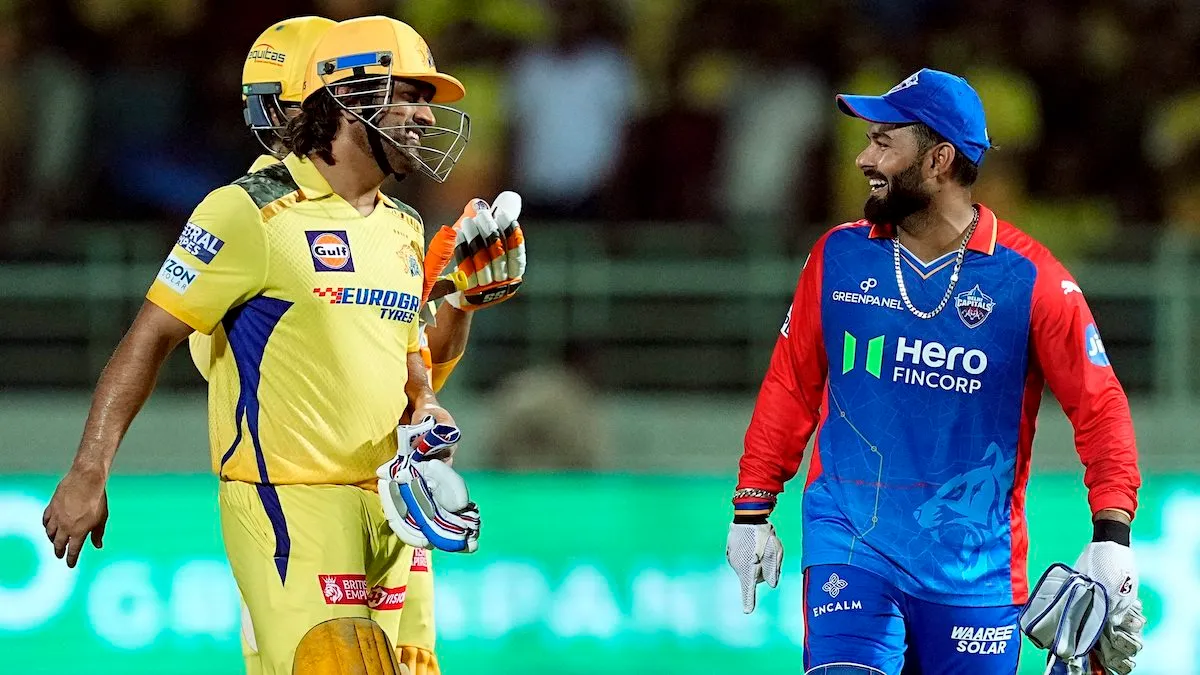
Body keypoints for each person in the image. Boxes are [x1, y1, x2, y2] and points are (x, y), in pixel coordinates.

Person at [40, 15, 507, 675]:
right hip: (288, 500)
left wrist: (456, 313)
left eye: (427, 102)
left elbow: (410, 364)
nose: (425, 118)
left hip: (391, 507)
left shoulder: (403, 226)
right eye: (410, 96)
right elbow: (150, 337)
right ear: (351, 97)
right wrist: (90, 467)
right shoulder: (249, 211)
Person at [725, 69, 1145, 675]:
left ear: (940, 158)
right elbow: (791, 385)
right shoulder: (837, 256)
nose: (864, 158)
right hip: (851, 543)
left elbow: (1099, 404)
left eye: (883, 142)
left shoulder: (1031, 280)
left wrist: (1112, 535)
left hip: (976, 571)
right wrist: (752, 508)